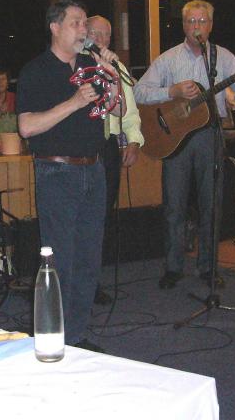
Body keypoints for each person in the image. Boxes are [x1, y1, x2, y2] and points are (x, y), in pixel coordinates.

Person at [17, 0, 121, 351]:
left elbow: (116, 109)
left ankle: (76, 335)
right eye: (76, 23)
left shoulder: (92, 65)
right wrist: (74, 102)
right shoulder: (36, 71)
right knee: (60, 259)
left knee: (89, 258)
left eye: (84, 24)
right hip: (56, 171)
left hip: (94, 168)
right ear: (55, 27)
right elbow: (27, 127)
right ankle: (55, 338)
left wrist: (111, 75)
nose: (83, 30)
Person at [134, 0, 235, 289]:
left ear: (210, 25)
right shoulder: (168, 59)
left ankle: (208, 267)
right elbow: (139, 92)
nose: (196, 26)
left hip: (210, 136)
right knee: (174, 205)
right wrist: (171, 91)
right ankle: (173, 267)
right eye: (191, 21)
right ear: (183, 25)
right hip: (174, 141)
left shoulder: (223, 58)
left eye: (202, 21)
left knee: (211, 204)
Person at [87, 15, 144, 304]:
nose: (100, 39)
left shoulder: (116, 66)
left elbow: (129, 109)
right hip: (79, 147)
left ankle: (93, 281)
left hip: (107, 145)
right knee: (81, 218)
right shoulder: (75, 63)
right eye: (94, 33)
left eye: (105, 35)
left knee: (103, 217)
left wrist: (133, 139)